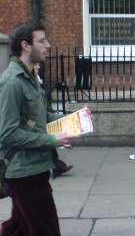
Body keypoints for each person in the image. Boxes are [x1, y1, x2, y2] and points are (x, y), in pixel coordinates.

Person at [0, 21, 72, 236]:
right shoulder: (12, 83)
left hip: (36, 167)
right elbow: (7, 133)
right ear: (26, 46)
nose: (48, 45)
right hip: (23, 172)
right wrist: (51, 140)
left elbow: (38, 118)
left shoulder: (30, 78)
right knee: (46, 230)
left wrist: (71, 121)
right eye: (42, 41)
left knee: (18, 228)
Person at [33, 63, 73, 179]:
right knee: (50, 146)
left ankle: (58, 167)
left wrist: (66, 119)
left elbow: (42, 107)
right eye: (35, 65)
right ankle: (58, 167)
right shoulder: (19, 83)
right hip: (36, 128)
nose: (38, 67)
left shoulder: (36, 81)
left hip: (41, 122)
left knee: (51, 146)